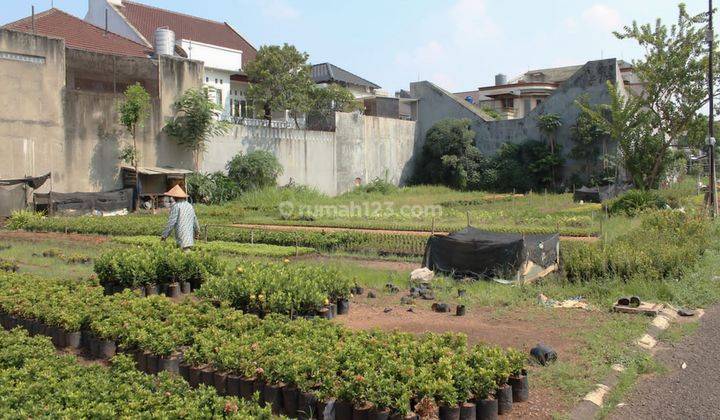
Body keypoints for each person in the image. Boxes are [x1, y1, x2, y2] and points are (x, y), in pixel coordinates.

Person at [160, 185, 200, 251]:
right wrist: (197, 232)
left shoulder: (176, 206)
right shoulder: (189, 206)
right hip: (189, 235)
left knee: (184, 253)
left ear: (176, 197)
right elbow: (195, 220)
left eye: (173, 196)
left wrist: (164, 235)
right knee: (187, 252)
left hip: (181, 235)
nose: (172, 198)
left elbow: (171, 222)